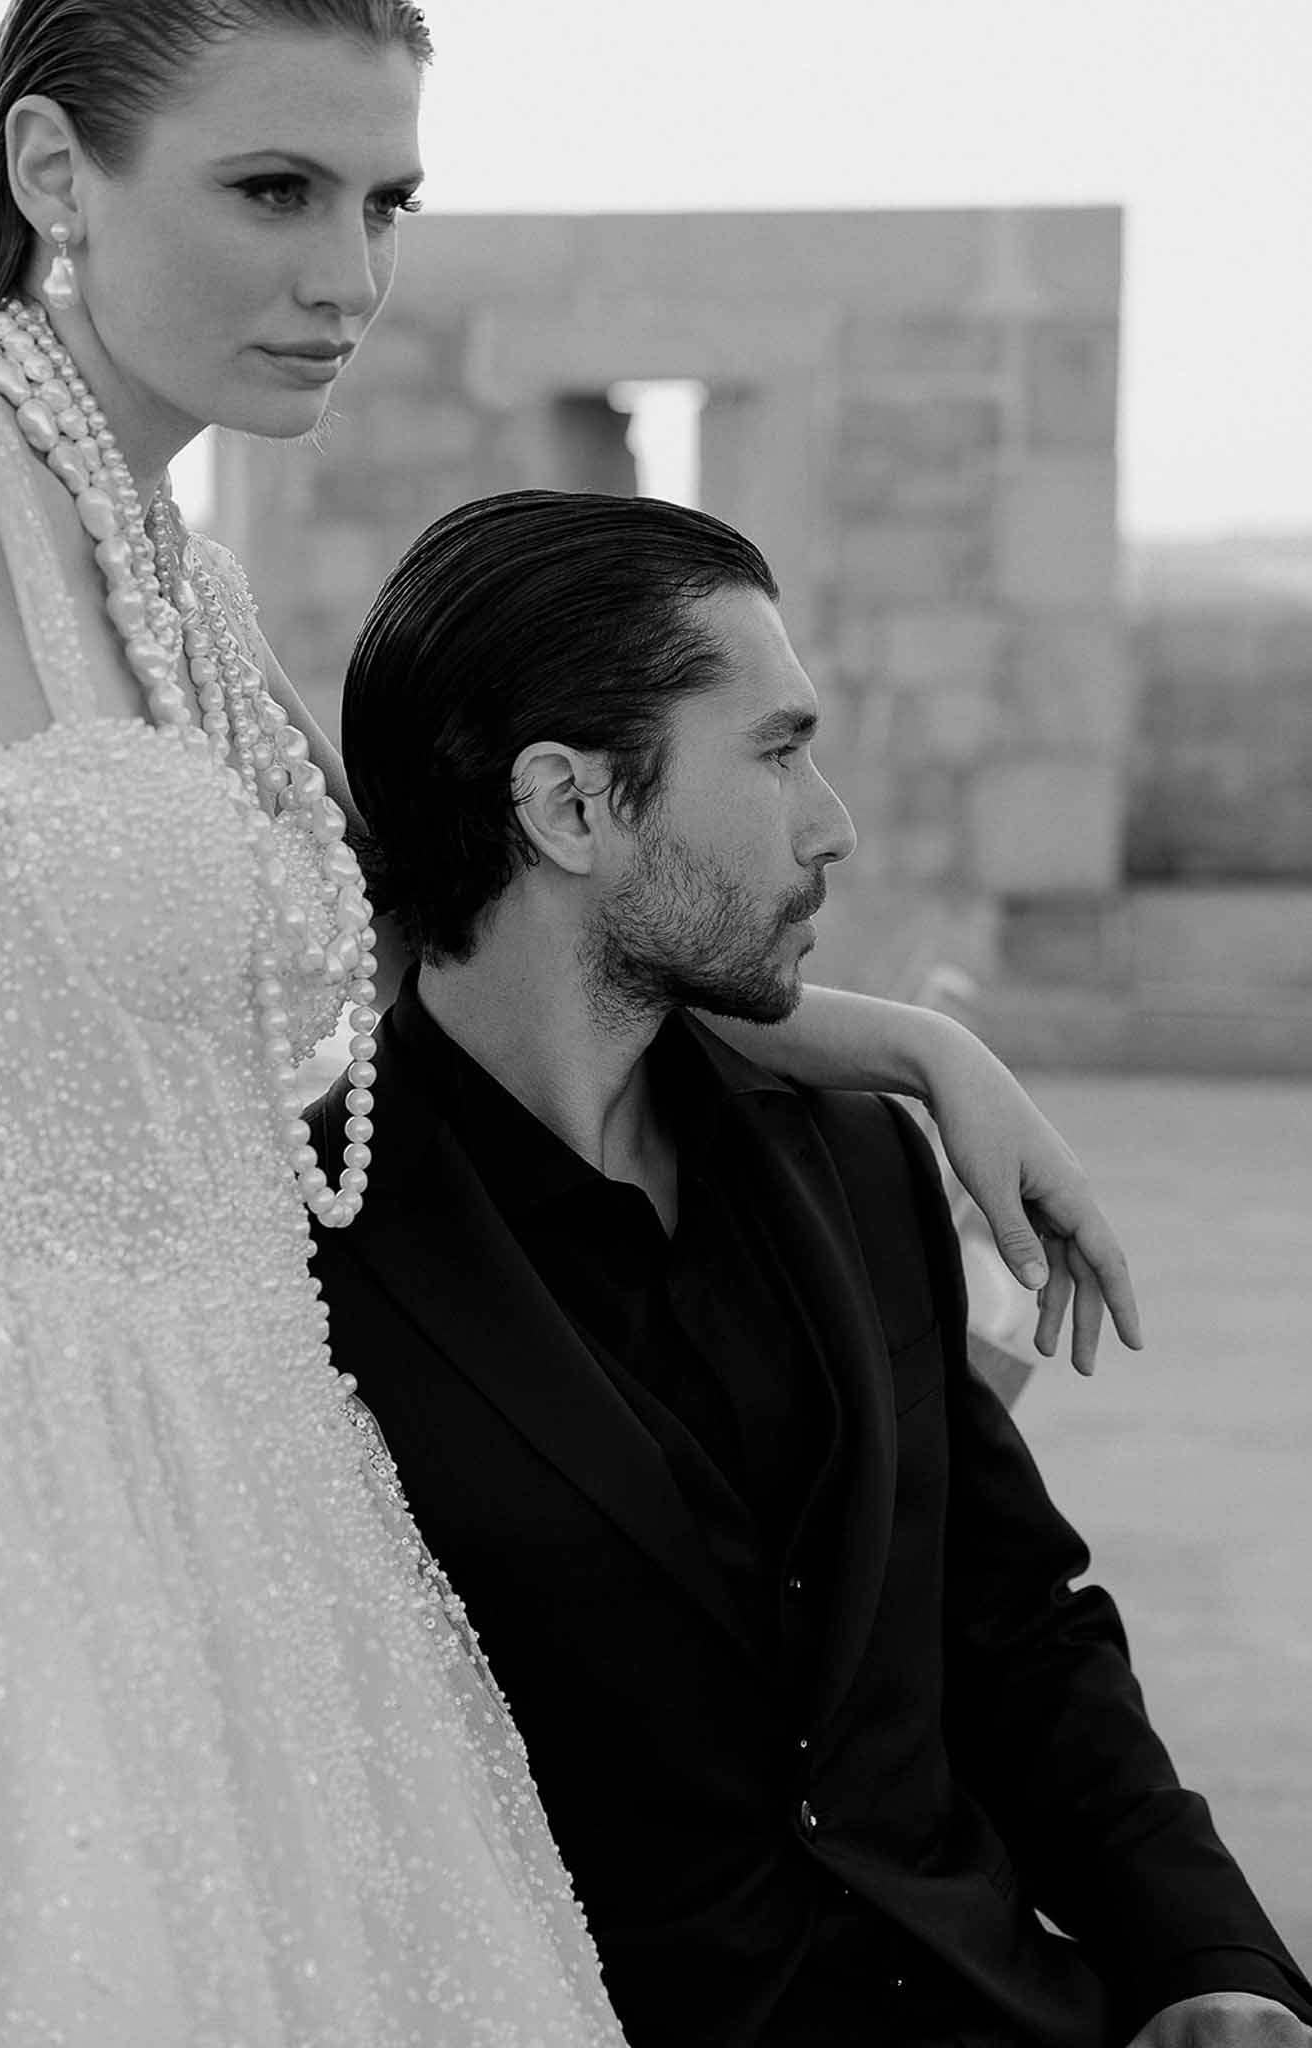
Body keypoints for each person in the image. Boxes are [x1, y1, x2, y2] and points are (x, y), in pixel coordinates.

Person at [0, 0, 1136, 2034]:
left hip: (250, 1518)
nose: (347, 275)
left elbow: (381, 969)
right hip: (14, 1507)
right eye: (272, 190)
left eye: (384, 201)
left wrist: (899, 1043)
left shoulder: (189, 584)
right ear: (55, 171)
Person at [310, 489, 1312, 2048]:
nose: (829, 819)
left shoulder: (851, 1155)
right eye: (776, 753)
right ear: (570, 808)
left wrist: (1213, 1968)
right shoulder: (301, 1253)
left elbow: (1011, 1621)